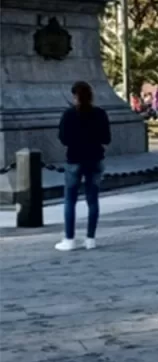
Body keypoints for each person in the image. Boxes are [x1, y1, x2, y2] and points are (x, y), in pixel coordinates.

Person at [55, 82, 111, 251]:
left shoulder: (69, 114)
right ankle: (90, 239)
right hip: (95, 158)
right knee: (92, 200)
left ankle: (69, 238)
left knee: (70, 200)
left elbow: (63, 138)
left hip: (74, 159)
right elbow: (106, 138)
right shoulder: (100, 114)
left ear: (74, 96)